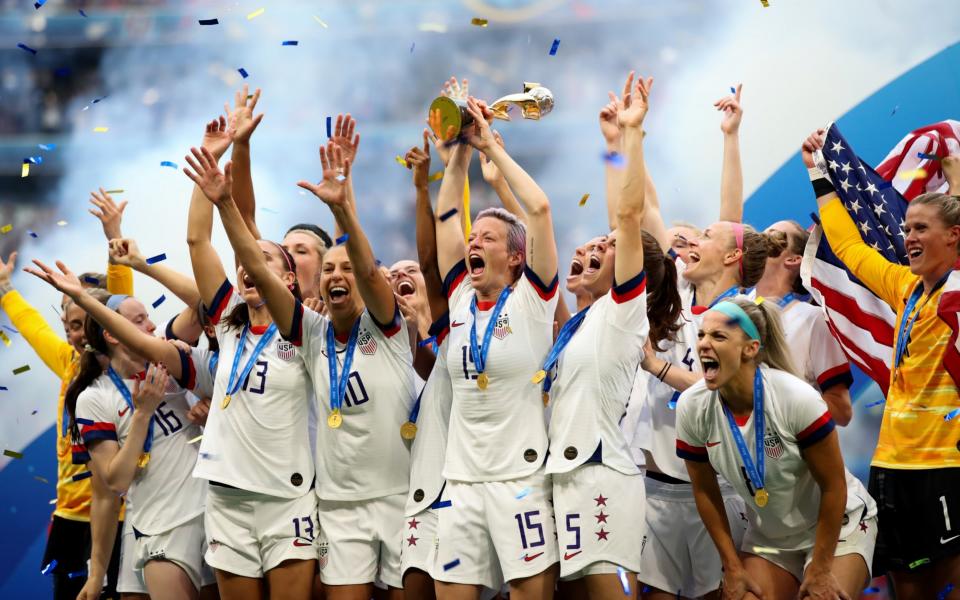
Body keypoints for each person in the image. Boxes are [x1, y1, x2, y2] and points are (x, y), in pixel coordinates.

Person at [804, 129, 960, 598]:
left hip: (949, 464)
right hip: (893, 465)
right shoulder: (904, 286)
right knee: (908, 592)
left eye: (920, 229)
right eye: (907, 227)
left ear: (954, 236)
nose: (907, 236)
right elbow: (851, 249)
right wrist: (819, 176)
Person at [545, 74, 683, 599]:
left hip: (602, 472)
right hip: (567, 471)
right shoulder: (582, 322)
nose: (594, 246)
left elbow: (626, 214)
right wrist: (610, 148)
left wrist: (630, 137)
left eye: (606, 247)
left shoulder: (624, 310)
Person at [432, 95, 560, 600]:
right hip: (460, 482)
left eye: (485, 237)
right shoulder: (461, 296)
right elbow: (446, 217)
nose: (472, 242)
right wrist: (460, 149)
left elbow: (542, 208)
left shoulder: (533, 299)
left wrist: (489, 143)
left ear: (515, 255)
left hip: (520, 481)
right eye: (472, 236)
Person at [184, 136, 317, 599]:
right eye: (245, 260)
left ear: (288, 279)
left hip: (287, 495)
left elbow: (244, 245)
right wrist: (210, 162)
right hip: (225, 494)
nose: (249, 267)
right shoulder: (226, 324)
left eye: (265, 260)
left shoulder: (306, 329)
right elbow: (197, 240)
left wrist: (229, 205)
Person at [676, 297, 877, 600]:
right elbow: (704, 490)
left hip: (840, 527)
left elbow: (834, 486)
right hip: (770, 538)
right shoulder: (692, 406)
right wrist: (731, 566)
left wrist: (821, 568)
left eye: (718, 336)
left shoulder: (796, 398)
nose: (703, 343)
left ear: (750, 348)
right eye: (702, 334)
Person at [0, 189, 135, 600]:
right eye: (68, 320)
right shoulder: (66, 361)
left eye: (84, 321)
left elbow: (121, 297)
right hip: (69, 516)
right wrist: (6, 289)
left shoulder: (127, 362)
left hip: (123, 514)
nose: (73, 331)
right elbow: (33, 326)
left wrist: (114, 238)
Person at [750, 221, 853, 425]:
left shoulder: (813, 320)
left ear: (794, 259)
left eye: (773, 235)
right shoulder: (734, 306)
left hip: (787, 449)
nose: (761, 240)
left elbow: (842, 412)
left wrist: (778, 397)